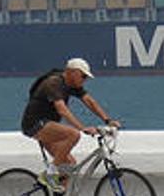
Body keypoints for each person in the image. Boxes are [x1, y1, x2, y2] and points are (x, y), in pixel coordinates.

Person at [21, 58, 120, 193]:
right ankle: (49, 175)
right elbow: (62, 109)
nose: (85, 80)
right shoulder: (54, 83)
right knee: (73, 134)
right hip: (35, 124)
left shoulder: (71, 84)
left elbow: (89, 101)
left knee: (68, 165)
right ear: (72, 72)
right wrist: (82, 127)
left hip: (49, 126)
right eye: (83, 76)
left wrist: (107, 120)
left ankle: (56, 186)